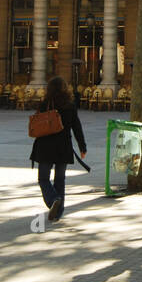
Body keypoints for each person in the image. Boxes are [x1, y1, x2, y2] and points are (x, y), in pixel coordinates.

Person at [30, 76, 87, 223]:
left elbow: (36, 124)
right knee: (60, 179)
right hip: (64, 147)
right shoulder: (70, 105)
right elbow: (77, 128)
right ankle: (58, 213)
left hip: (45, 147)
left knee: (43, 178)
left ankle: (53, 199)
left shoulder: (45, 104)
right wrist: (82, 147)